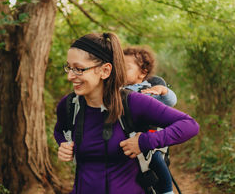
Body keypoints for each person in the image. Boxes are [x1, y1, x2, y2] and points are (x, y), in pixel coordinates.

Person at [53, 32, 199, 194]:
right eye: (69, 67)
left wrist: (145, 141)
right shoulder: (69, 105)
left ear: (105, 71)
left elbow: (189, 125)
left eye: (79, 69)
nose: (70, 76)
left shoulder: (133, 103)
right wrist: (63, 144)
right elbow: (60, 131)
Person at [124, 46, 177, 194]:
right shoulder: (116, 89)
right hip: (123, 138)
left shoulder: (149, 89)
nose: (120, 71)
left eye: (126, 68)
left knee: (157, 161)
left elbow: (170, 101)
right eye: (118, 67)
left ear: (143, 73)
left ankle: (166, 190)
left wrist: (163, 90)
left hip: (147, 140)